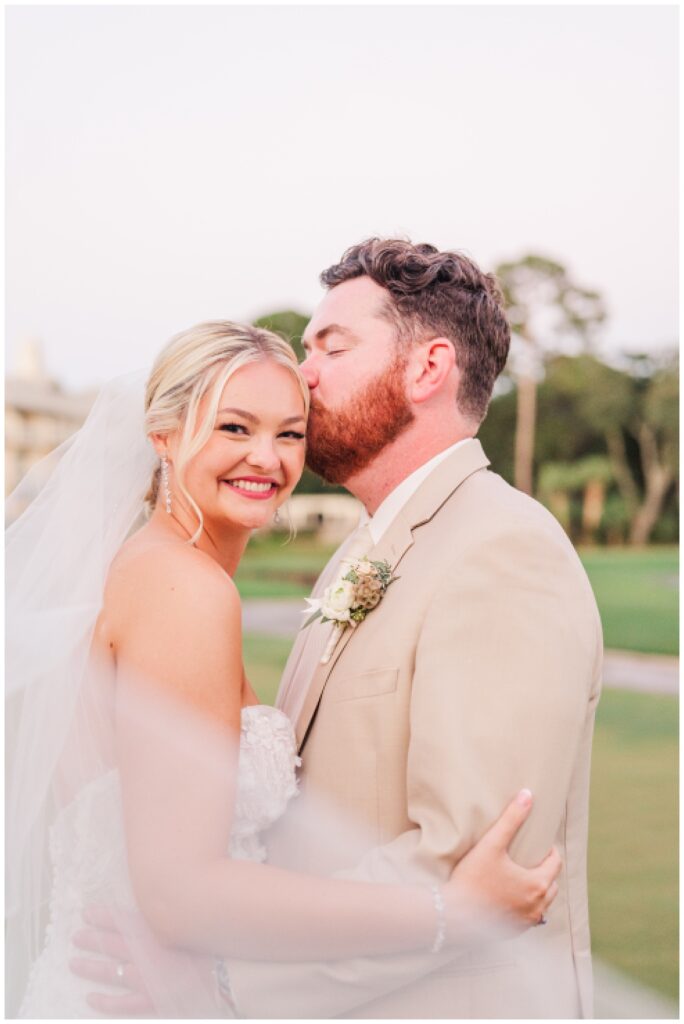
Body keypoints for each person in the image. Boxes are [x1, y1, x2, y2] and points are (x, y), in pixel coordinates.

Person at [73, 239, 602, 1019]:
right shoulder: (363, 552)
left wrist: (222, 982)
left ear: (427, 369)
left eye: (332, 345)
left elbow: (478, 867)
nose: (305, 372)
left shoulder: (503, 551)